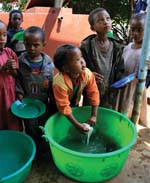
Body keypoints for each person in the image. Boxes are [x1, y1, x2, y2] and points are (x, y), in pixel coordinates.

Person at [16, 26, 54, 151]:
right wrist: (19, 93)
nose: (31, 48)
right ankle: (33, 149)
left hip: (44, 103)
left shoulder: (48, 63)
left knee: (44, 125)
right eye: (27, 45)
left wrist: (53, 99)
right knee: (31, 127)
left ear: (43, 44)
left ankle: (44, 148)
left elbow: (52, 83)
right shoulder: (20, 62)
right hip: (28, 104)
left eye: (36, 45)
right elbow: (17, 79)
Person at [80, 7, 125, 110]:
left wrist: (119, 83)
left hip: (110, 93)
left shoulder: (117, 47)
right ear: (92, 27)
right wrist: (89, 75)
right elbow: (80, 67)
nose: (106, 22)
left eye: (108, 18)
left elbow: (120, 68)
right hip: (91, 90)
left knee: (107, 116)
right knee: (90, 116)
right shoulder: (86, 47)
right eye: (100, 20)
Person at [52, 44, 100, 132]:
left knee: (72, 122)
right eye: (77, 60)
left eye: (81, 57)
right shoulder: (59, 83)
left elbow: (94, 93)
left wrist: (94, 115)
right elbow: (63, 106)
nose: (82, 61)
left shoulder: (87, 74)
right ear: (66, 68)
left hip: (73, 103)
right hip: (56, 106)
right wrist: (77, 125)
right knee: (60, 126)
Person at [121, 13, 150, 127]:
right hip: (124, 86)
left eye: (139, 30)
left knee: (134, 110)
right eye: (132, 29)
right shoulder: (127, 47)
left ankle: (132, 130)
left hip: (137, 87)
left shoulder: (147, 50)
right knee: (123, 109)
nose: (135, 33)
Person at [0, 20, 22, 130]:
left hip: (10, 94)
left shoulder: (9, 52)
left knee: (12, 119)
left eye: (4, 35)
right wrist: (2, 68)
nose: (2, 39)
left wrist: (13, 69)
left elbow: (17, 75)